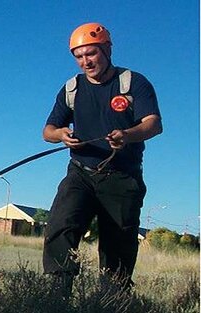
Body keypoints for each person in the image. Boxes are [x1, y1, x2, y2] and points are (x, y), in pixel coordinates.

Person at [42, 22, 162, 296]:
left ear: (107, 49)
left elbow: (154, 124)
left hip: (122, 177)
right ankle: (56, 298)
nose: (85, 61)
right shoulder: (72, 88)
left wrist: (128, 135)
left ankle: (109, 301)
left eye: (91, 54)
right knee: (60, 227)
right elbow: (47, 131)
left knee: (117, 249)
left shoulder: (133, 83)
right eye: (79, 56)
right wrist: (60, 133)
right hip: (80, 173)